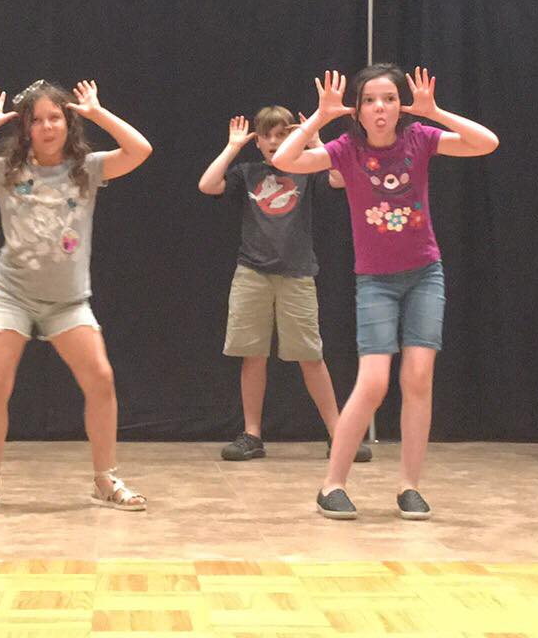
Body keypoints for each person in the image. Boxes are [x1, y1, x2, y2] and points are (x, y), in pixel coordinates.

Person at [271, 66, 497, 520]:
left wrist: (436, 112)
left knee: (418, 378)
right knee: (373, 382)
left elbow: (486, 142)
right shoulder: (346, 149)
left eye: (390, 99)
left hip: (425, 275)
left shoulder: (420, 139)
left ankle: (409, 485)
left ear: (400, 107)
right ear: (357, 109)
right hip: (375, 281)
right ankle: (332, 484)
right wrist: (320, 117)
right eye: (370, 100)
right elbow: (284, 160)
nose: (380, 108)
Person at [0, 81, 153, 512]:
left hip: (68, 302)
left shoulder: (87, 168)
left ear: (68, 122)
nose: (47, 126)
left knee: (101, 378)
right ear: (25, 128)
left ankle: (105, 478)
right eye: (37, 120)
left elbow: (140, 150)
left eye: (55, 117)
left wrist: (98, 113)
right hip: (12, 295)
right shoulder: (6, 170)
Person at [198, 107, 372, 465]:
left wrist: (317, 143)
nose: (274, 142)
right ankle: (252, 435)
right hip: (252, 274)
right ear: (258, 141)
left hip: (297, 274)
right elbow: (208, 185)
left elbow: (341, 179)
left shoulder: (306, 171)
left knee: (310, 355)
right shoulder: (248, 173)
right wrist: (232, 147)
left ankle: (339, 433)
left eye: (281, 134)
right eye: (267, 135)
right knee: (253, 354)